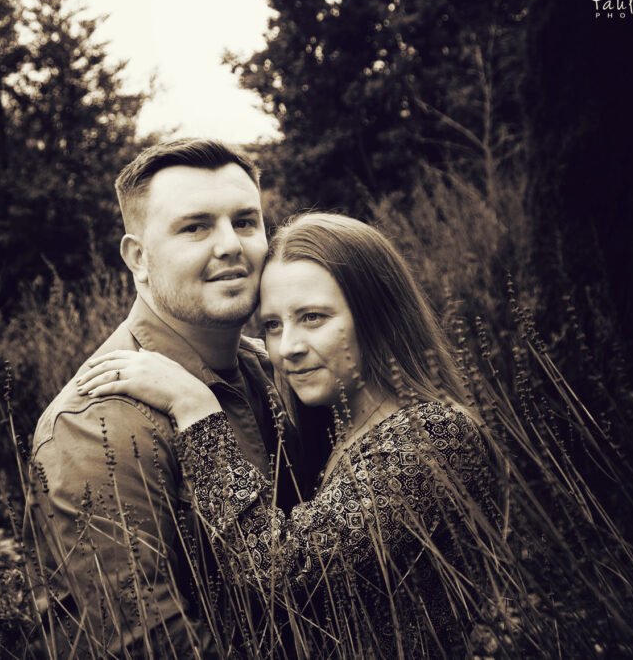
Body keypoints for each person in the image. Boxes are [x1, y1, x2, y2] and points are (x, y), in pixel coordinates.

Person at [76, 212, 501, 657]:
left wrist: (196, 408)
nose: (288, 348)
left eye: (313, 317)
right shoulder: (331, 430)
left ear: (379, 316)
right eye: (273, 326)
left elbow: (281, 571)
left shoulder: (434, 434)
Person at [29, 139, 310, 656]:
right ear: (138, 257)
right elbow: (148, 643)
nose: (231, 245)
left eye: (246, 222)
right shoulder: (97, 423)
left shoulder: (273, 369)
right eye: (195, 227)